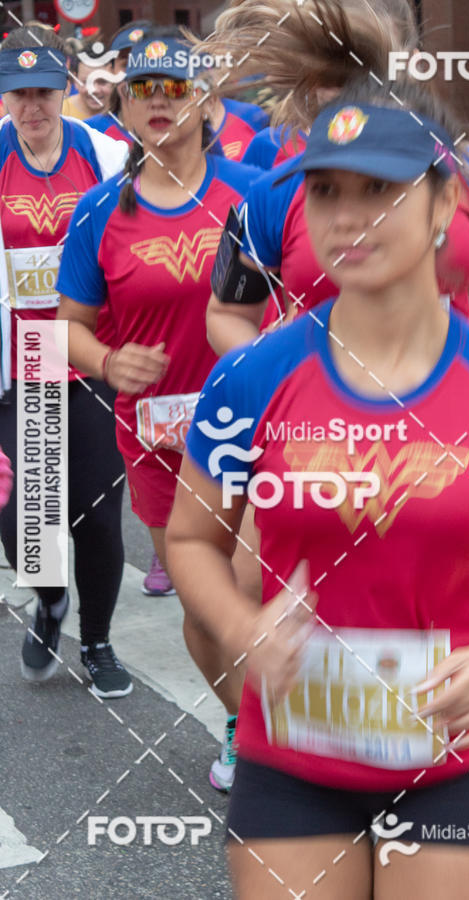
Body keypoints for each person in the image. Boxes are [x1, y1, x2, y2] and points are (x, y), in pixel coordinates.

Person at [166, 80, 469, 899]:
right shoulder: (252, 377)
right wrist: (241, 628)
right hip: (291, 761)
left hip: (457, 759)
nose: (345, 216)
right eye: (326, 191)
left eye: (378, 189)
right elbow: (191, 539)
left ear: (445, 204)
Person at [55, 32, 260, 790]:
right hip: (158, 440)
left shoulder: (255, 194)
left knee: (252, 589)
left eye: (175, 88)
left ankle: (290, 736)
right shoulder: (99, 211)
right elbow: (67, 326)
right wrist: (110, 362)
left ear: (205, 102)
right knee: (205, 607)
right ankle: (243, 725)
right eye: (141, 89)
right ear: (123, 106)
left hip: (256, 427)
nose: (158, 102)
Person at [202, 0, 469, 359]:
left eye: (369, 72)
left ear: (412, 66)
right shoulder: (275, 189)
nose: (356, 94)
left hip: (453, 387)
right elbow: (227, 313)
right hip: (320, 394)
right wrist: (274, 366)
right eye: (337, 77)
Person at [0, 26, 132, 697]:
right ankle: (51, 603)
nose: (33, 107)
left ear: (66, 89)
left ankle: (99, 641)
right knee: (24, 517)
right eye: (19, 93)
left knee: (99, 514)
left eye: (44, 92)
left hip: (90, 353)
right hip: (22, 358)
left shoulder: (106, 155)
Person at [62, 42, 112, 120]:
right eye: (87, 82)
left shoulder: (124, 111)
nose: (94, 90)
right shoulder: (61, 113)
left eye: (102, 82)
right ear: (75, 81)